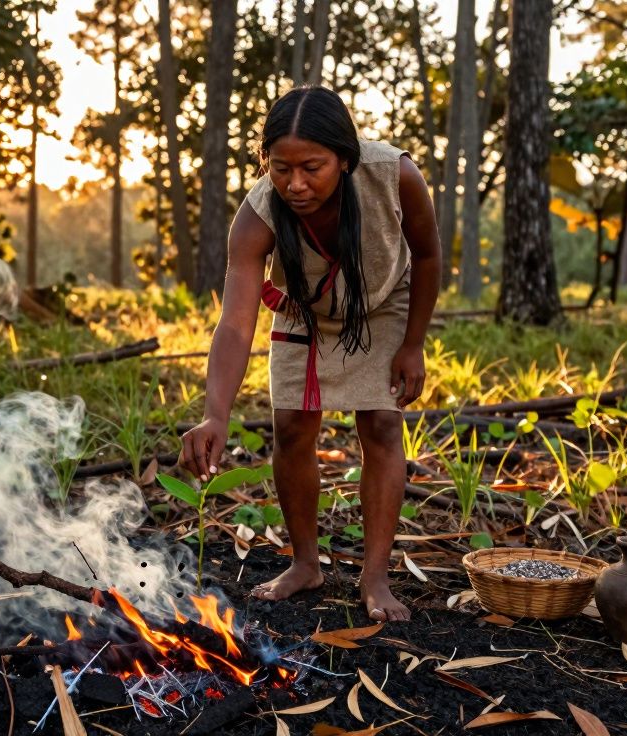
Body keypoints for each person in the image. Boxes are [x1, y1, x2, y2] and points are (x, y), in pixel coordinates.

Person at [178, 86, 440, 622]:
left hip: (383, 305)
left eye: (312, 167)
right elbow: (235, 320)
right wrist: (215, 414)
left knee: (383, 428)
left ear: (346, 158)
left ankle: (374, 577)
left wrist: (413, 344)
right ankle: (305, 564)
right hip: (302, 310)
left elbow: (430, 253)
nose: (295, 184)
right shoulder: (258, 214)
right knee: (293, 426)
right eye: (280, 169)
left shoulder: (394, 175)